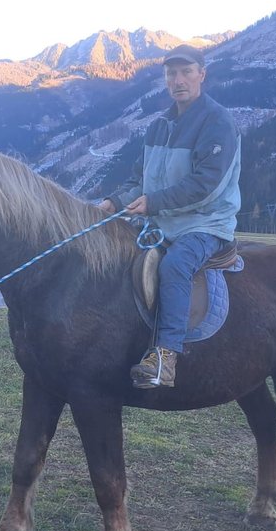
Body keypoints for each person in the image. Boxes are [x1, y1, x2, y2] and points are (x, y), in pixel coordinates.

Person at [99, 43, 241, 389]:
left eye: (186, 72)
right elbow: (139, 179)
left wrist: (153, 203)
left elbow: (205, 185)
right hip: (160, 221)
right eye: (171, 73)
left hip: (204, 222)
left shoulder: (218, 122)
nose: (178, 80)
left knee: (175, 266)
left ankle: (166, 355)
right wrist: (112, 203)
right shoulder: (159, 125)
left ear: (201, 75)